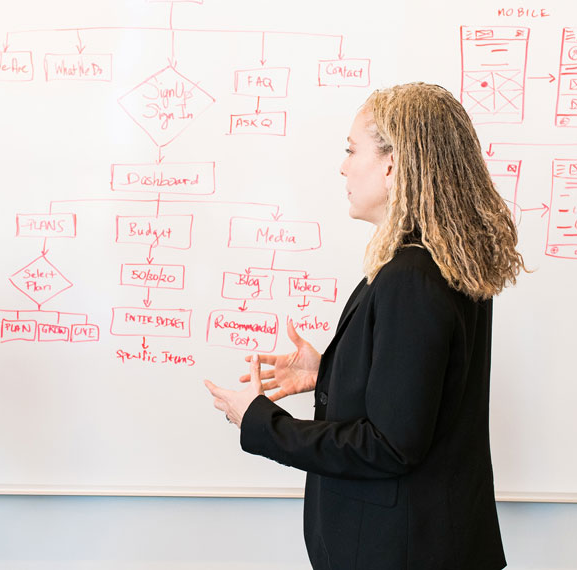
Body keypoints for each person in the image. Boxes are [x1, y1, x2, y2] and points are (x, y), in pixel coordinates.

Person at [205, 82, 525, 569]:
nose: (343, 166)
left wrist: (260, 422)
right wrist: (330, 371)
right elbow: (421, 393)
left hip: (402, 554)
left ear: (393, 164)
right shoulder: (446, 264)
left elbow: (391, 445)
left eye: (352, 150)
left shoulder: (411, 277)